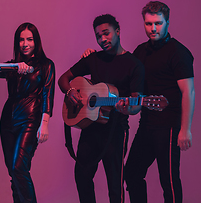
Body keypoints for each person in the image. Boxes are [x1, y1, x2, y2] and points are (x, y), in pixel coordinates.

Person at [58, 14, 145, 203]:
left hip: (116, 131)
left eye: (106, 33)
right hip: (91, 128)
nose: (102, 39)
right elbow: (63, 79)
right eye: (98, 36)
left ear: (118, 32)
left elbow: (136, 104)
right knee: (82, 176)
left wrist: (126, 109)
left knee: (115, 185)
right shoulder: (93, 59)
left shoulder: (134, 65)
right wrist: (70, 91)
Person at [124, 1, 195, 203]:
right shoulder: (140, 52)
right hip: (146, 124)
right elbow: (126, 78)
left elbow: (188, 91)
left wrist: (185, 129)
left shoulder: (179, 53)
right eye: (148, 24)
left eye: (158, 23)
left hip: (170, 127)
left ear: (167, 23)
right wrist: (92, 55)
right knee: (132, 173)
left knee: (169, 181)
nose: (153, 28)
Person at [0, 22, 55, 203]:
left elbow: (48, 94)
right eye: (21, 40)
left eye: (29, 39)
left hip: (30, 120)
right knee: (13, 172)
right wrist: (14, 67)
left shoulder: (46, 65)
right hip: (7, 122)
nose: (25, 43)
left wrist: (45, 123)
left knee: (19, 167)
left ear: (36, 41)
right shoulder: (13, 66)